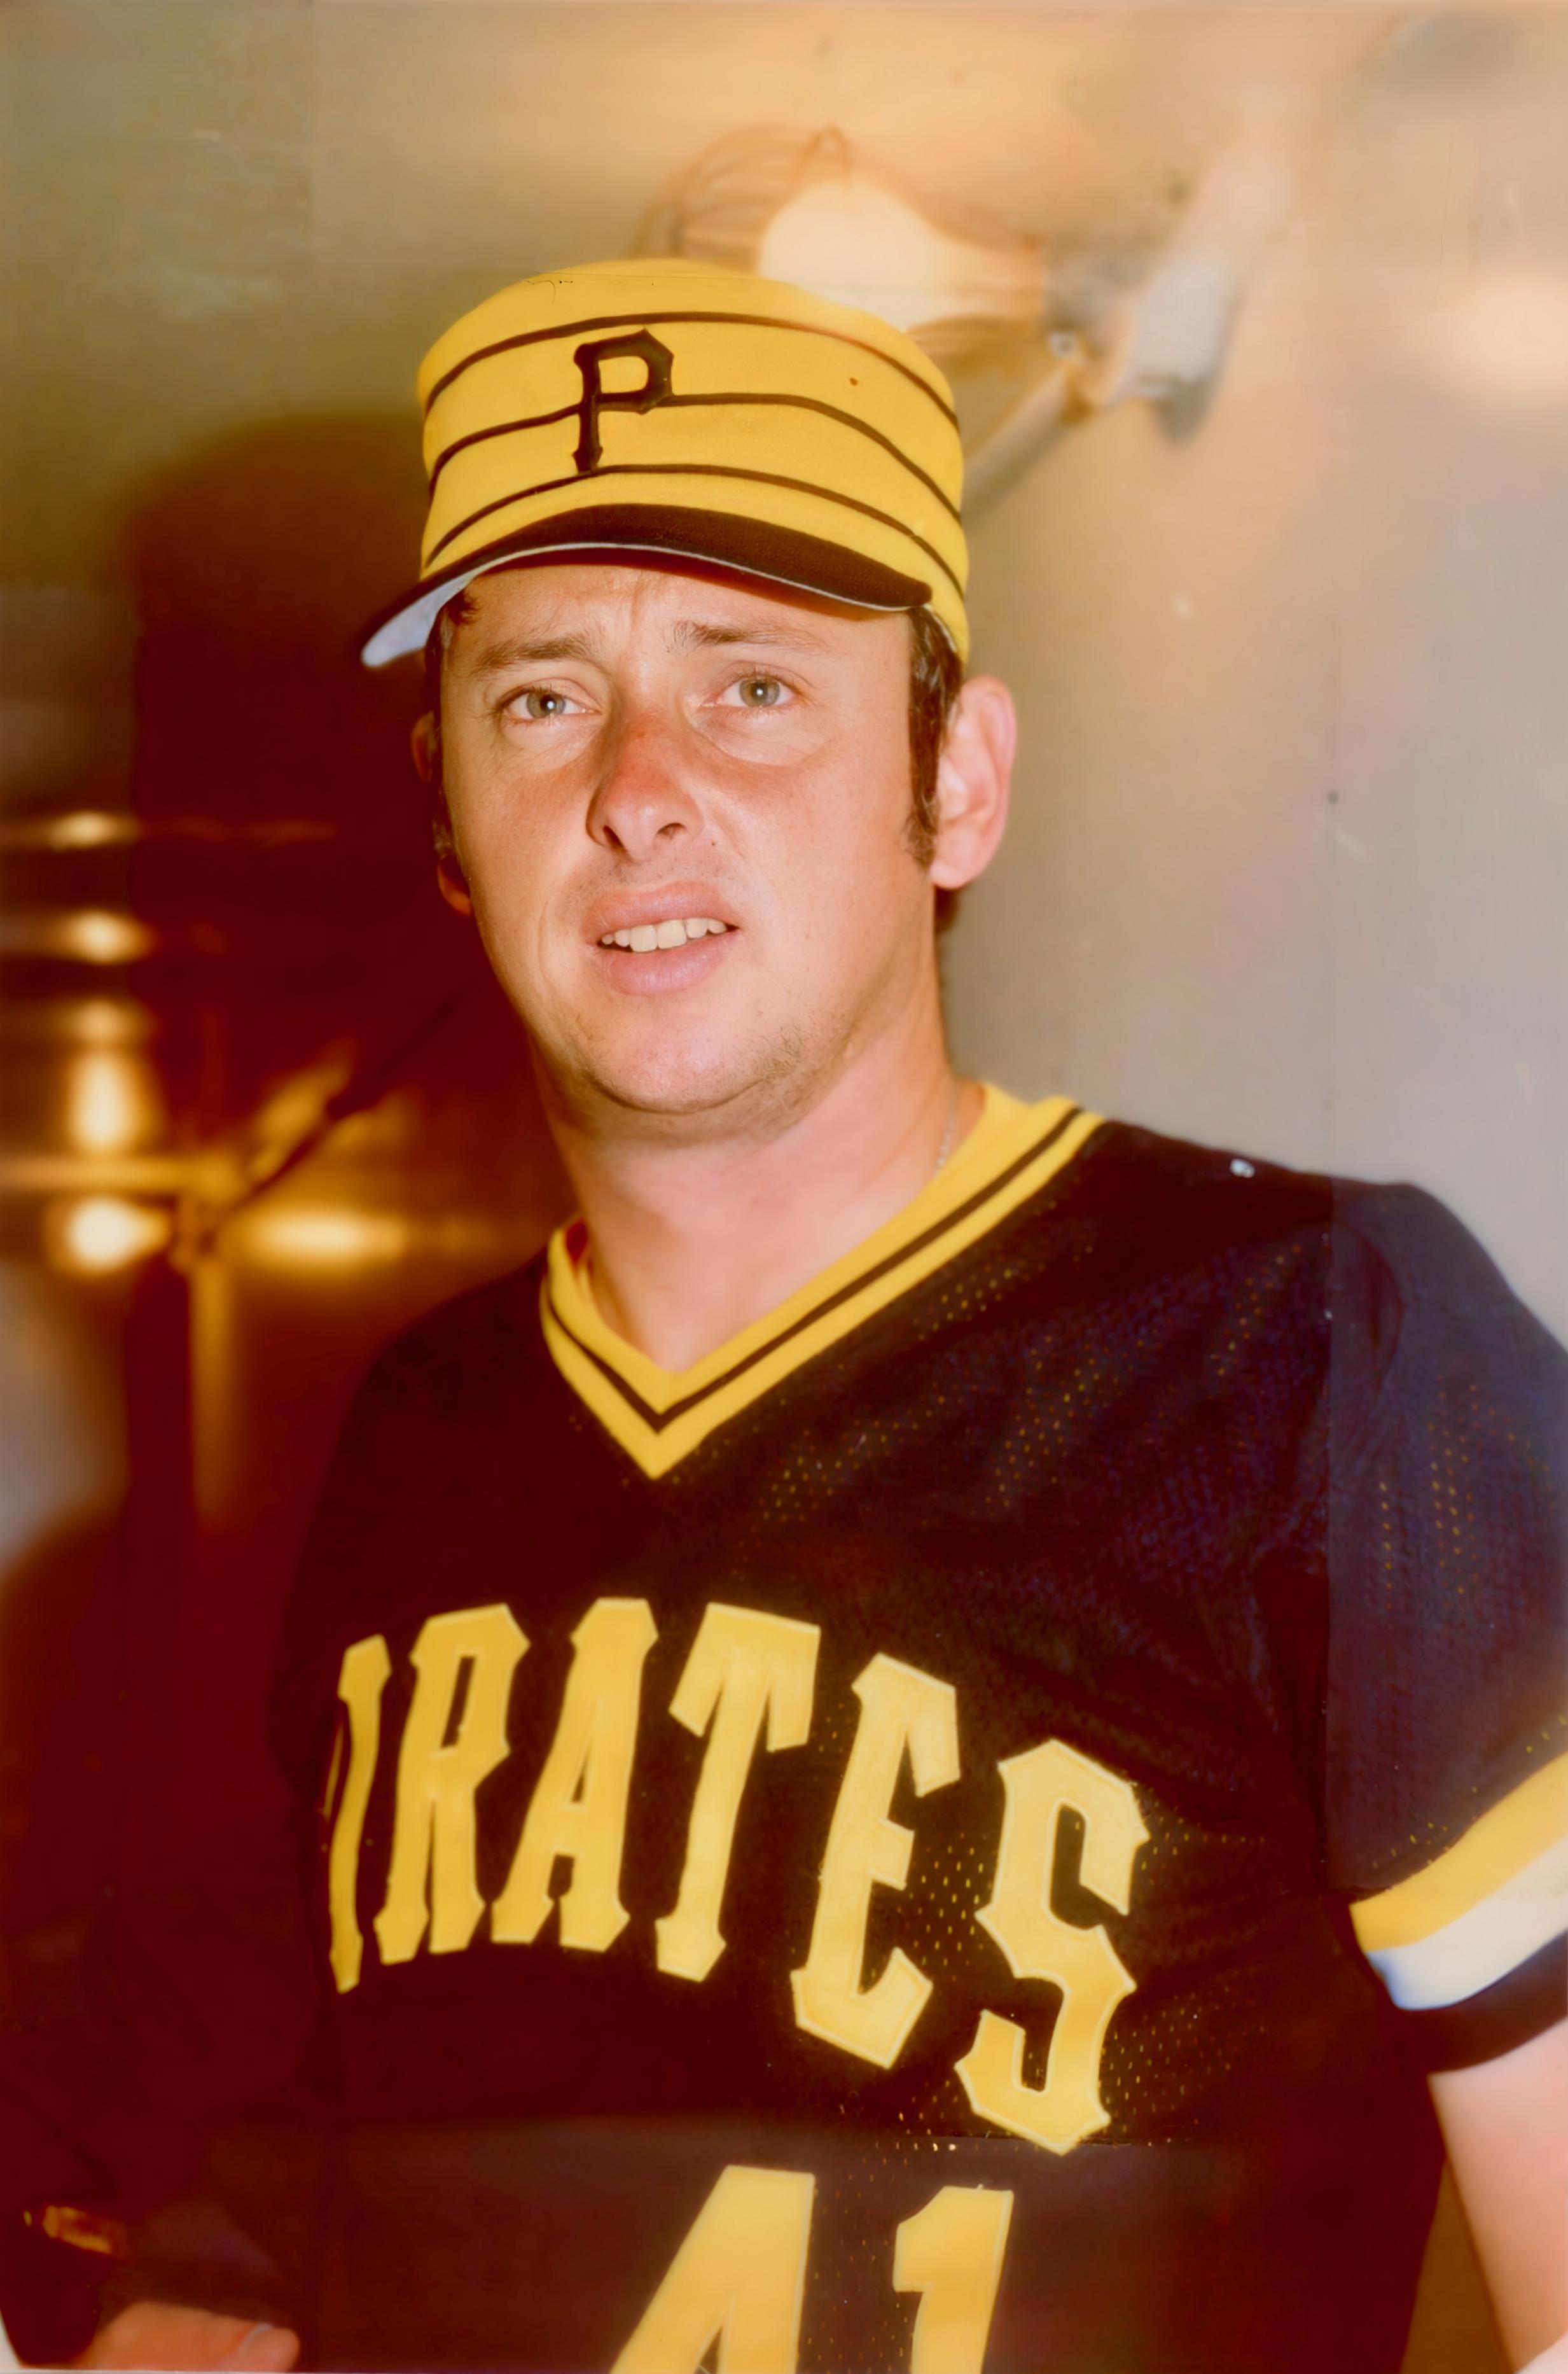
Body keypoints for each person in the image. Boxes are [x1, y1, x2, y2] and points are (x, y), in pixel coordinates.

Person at [62, 257, 1568, 2372]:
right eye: (539, 697)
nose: (635, 783)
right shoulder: (426, 1419)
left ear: (955, 784)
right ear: (449, 827)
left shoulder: (1313, 1343)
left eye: (754, 683)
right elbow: (379, 2095)